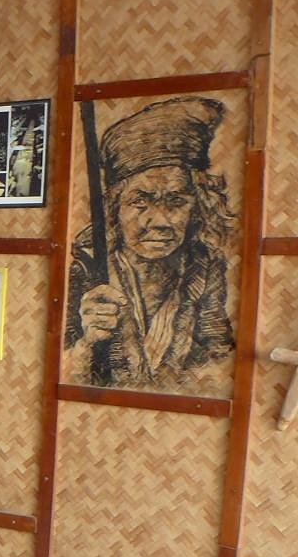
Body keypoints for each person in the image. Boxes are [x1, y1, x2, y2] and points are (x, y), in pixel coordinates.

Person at [63, 96, 234, 391]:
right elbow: (62, 371)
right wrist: (87, 344)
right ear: (114, 208)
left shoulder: (205, 266)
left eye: (176, 201)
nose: (160, 221)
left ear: (197, 207)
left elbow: (217, 355)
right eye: (140, 201)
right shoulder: (86, 269)